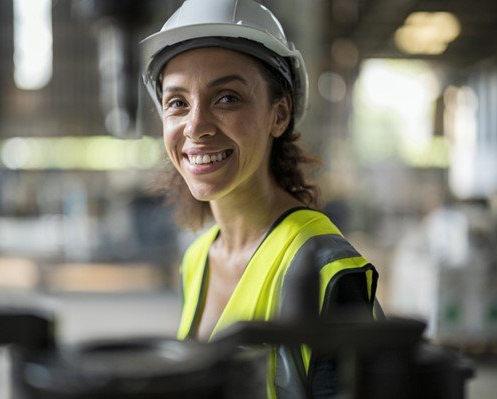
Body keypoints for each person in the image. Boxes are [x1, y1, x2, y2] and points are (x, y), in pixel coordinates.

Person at [140, 0, 379, 398]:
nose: (196, 127)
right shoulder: (197, 258)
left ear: (279, 115)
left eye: (227, 98)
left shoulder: (327, 267)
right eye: (178, 102)